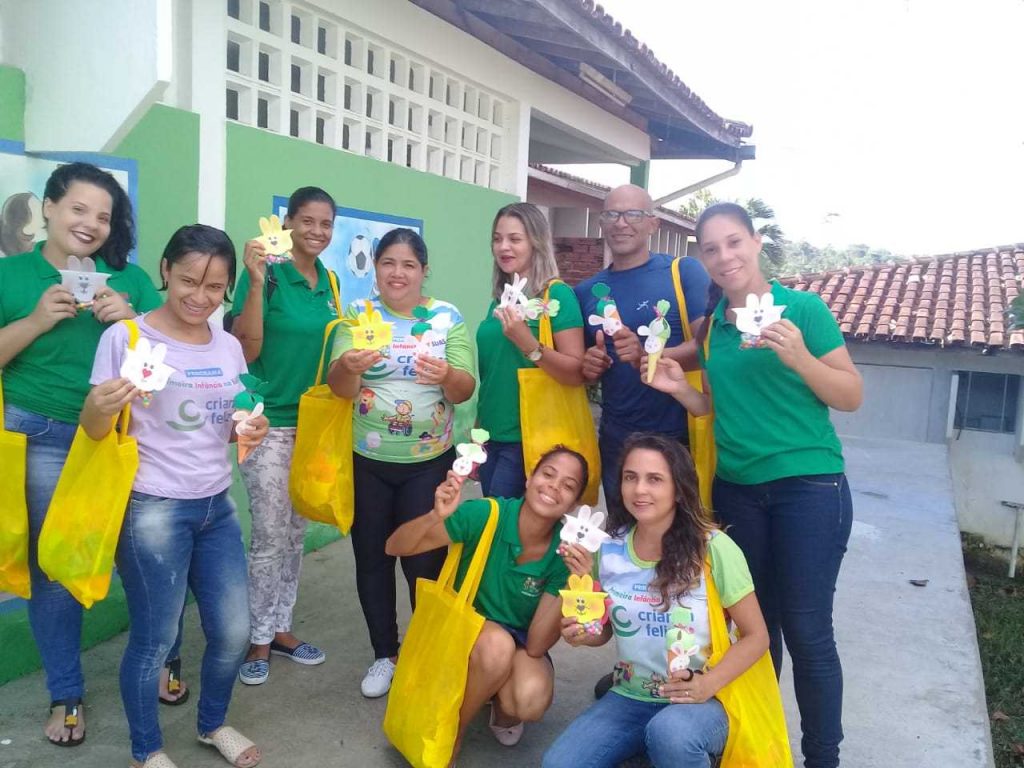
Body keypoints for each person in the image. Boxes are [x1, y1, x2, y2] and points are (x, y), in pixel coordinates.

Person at [658, 202, 863, 768]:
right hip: (739, 492)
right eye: (711, 249)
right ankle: (762, 749)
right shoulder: (713, 329)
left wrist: (798, 357)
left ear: (755, 243)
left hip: (809, 488)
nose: (724, 257)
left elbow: (850, 395)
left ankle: (822, 759)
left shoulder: (803, 310)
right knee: (756, 628)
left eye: (733, 242)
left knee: (807, 631)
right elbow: (716, 406)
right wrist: (680, 389)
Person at [83, 224, 265, 768]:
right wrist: (100, 406)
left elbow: (226, 424)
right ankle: (147, 750)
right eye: (188, 280)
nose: (200, 297)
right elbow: (94, 429)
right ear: (165, 270)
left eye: (215, 287)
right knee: (156, 639)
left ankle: (212, 724)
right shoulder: (126, 339)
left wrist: (247, 429)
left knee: (233, 631)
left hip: (216, 505)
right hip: (152, 507)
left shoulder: (228, 345)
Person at [0, 162, 166, 746]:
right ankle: (66, 693)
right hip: (40, 435)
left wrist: (135, 322)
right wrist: (35, 321)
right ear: (47, 208)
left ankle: (161, 661)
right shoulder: (10, 275)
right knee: (56, 570)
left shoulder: (131, 280)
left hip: (122, 438)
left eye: (103, 216)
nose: (91, 224)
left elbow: (170, 362)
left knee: (149, 557)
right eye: (78, 209)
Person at [542, 434, 768, 768]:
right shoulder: (609, 548)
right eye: (630, 477)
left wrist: (707, 685)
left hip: (705, 698)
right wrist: (583, 633)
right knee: (559, 764)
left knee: (670, 735)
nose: (639, 489)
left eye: (655, 479)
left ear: (678, 489)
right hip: (631, 695)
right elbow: (604, 630)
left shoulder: (714, 548)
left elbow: (757, 636)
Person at [327, 228, 476, 698]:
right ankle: (384, 654)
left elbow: (464, 388)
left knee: (425, 561)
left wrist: (447, 374)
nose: (398, 273)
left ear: (424, 271)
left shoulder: (446, 316)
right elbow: (339, 388)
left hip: (428, 461)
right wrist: (348, 367)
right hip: (367, 460)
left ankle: (425, 654)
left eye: (409, 264)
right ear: (375, 267)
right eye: (388, 262)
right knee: (372, 558)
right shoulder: (359, 314)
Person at [386, 446, 593, 762]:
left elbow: (536, 645)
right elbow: (394, 546)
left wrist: (572, 581)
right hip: (461, 631)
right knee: (496, 646)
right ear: (529, 478)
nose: (554, 486)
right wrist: (434, 516)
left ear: (574, 504)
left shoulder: (565, 553)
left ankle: (493, 696)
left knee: (529, 700)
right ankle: (452, 730)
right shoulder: (486, 514)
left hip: (515, 641)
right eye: (548, 474)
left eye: (568, 485)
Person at [231, 186, 339, 685]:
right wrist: (255, 284)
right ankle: (258, 638)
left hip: (313, 426)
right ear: (287, 222)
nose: (317, 231)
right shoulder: (267, 274)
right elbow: (245, 349)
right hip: (267, 422)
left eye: (326, 223)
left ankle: (280, 629)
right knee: (270, 536)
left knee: (296, 534)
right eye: (307, 221)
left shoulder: (330, 281)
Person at [575, 184, 710, 500]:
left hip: (679, 434)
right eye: (612, 214)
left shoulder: (682, 272)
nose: (621, 223)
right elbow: (583, 366)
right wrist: (589, 365)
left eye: (633, 214)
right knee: (622, 528)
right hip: (616, 438)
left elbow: (707, 348)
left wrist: (647, 356)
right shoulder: (586, 291)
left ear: (653, 223)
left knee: (680, 527)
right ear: (601, 222)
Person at [475, 202, 585, 497]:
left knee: (506, 519)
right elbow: (492, 373)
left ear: (536, 242)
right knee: (495, 517)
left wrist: (529, 345)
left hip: (531, 437)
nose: (503, 247)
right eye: (497, 239)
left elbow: (576, 372)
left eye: (515, 239)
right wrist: (478, 434)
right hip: (491, 435)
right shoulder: (499, 300)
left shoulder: (556, 295)